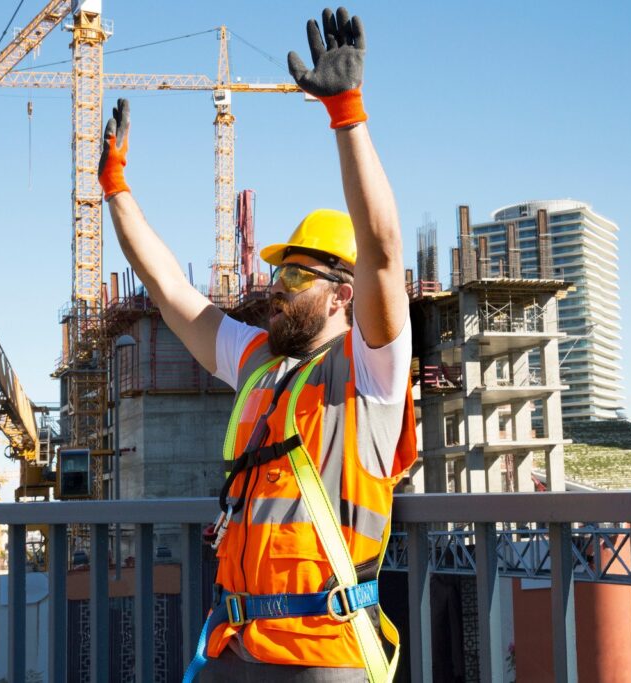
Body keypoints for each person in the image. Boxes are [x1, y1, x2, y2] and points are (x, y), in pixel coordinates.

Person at [98, 7, 416, 682]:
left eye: (296, 274)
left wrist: (346, 113)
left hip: (322, 659)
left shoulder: (370, 370)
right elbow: (166, 287)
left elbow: (384, 252)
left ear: (341, 292)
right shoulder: (259, 362)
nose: (277, 288)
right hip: (234, 643)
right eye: (278, 273)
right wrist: (115, 190)